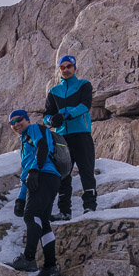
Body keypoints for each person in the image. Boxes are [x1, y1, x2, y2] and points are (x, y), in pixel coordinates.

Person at [8, 109, 61, 276]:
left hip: (44, 175)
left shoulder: (34, 129)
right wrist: (21, 198)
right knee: (43, 223)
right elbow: (27, 173)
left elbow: (43, 146)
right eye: (12, 122)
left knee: (32, 216)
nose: (16, 124)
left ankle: (29, 258)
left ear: (27, 119)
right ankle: (50, 267)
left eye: (19, 120)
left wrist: (34, 170)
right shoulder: (24, 141)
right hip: (45, 178)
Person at [44, 55, 97, 219]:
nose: (66, 70)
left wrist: (66, 115)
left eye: (69, 66)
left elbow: (85, 106)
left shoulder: (84, 85)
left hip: (81, 133)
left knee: (86, 170)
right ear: (59, 70)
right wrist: (51, 120)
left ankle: (90, 207)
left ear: (74, 67)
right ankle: (64, 211)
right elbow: (46, 114)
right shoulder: (54, 91)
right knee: (63, 174)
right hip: (61, 138)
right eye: (62, 67)